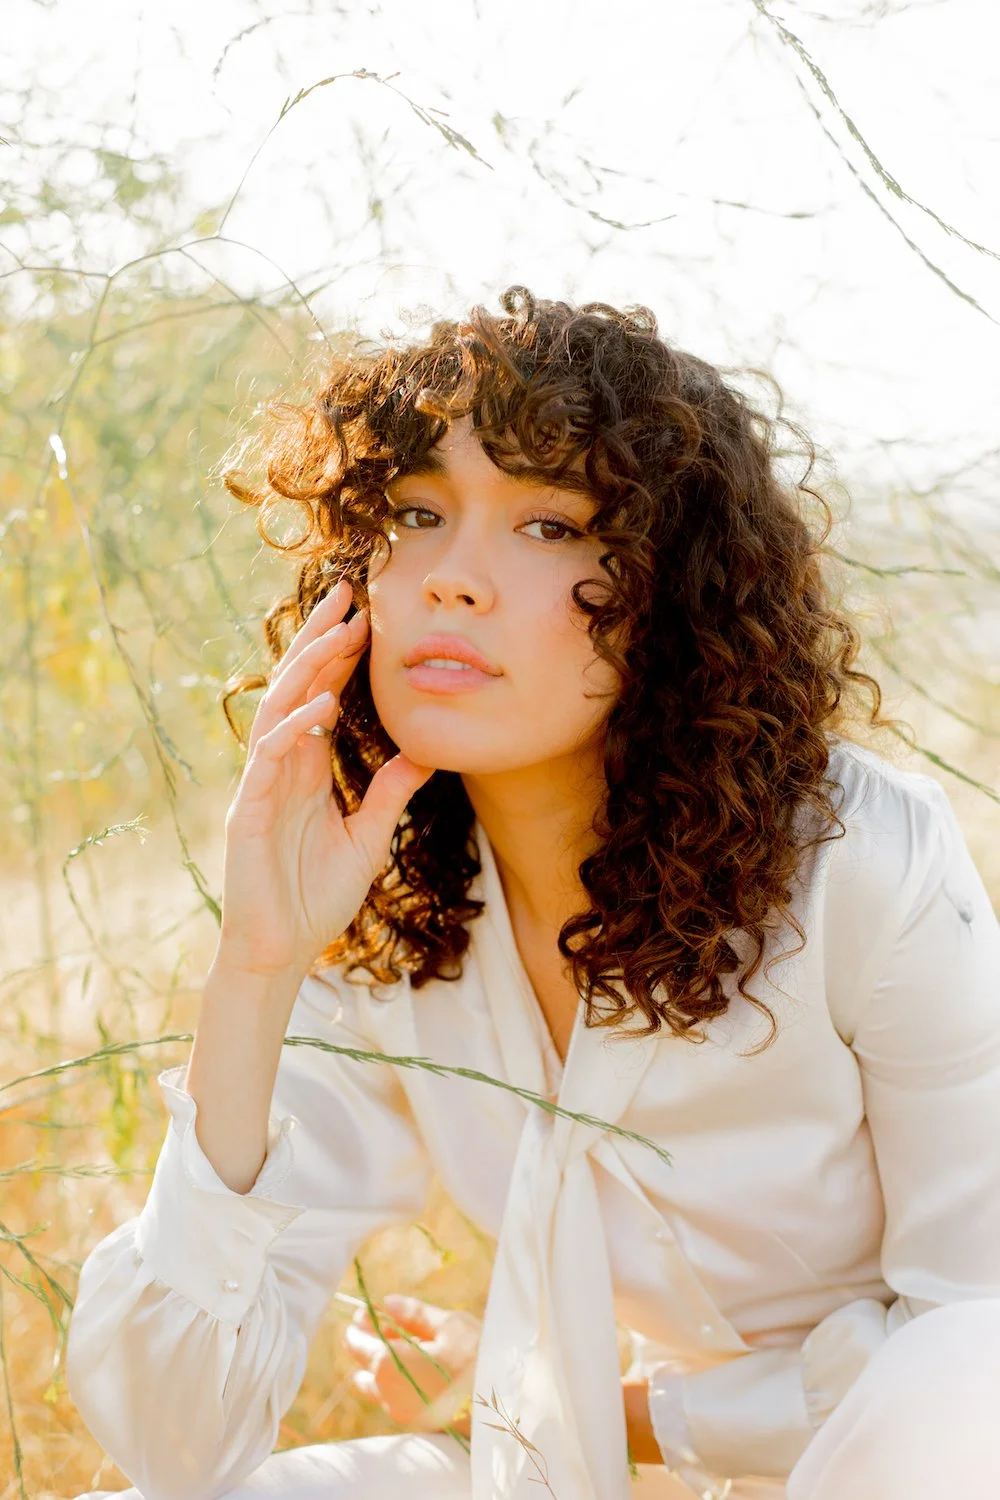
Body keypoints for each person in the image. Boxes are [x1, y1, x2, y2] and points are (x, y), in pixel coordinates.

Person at [66, 287, 1000, 1500]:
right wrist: (255, 967)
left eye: (549, 526)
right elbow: (177, 1450)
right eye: (416, 513)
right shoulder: (388, 927)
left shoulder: (855, 860)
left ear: (669, 589)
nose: (455, 579)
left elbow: (972, 1348)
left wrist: (603, 1413)